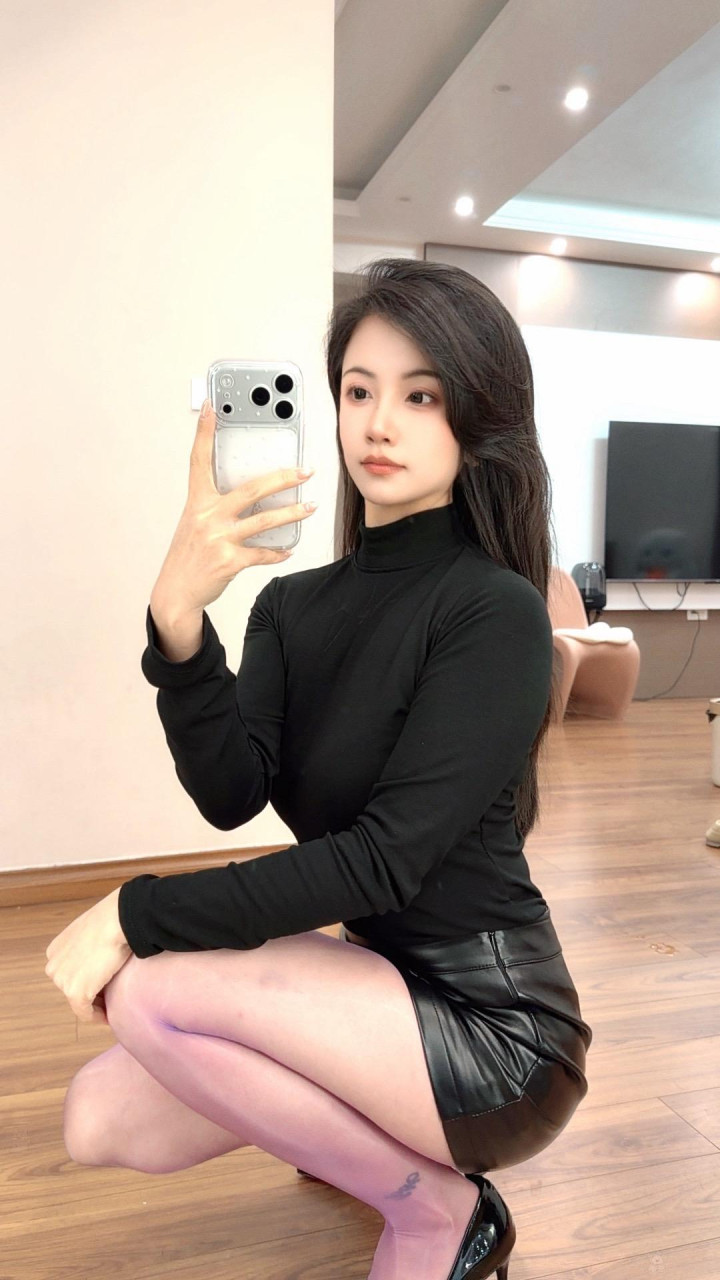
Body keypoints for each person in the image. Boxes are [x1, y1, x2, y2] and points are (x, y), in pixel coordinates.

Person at [60, 259, 592, 1280]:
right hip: (377, 986)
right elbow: (230, 793)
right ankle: (373, 1141)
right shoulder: (291, 606)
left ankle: (439, 1211)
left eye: (421, 395)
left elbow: (383, 862)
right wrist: (177, 621)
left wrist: (136, 911)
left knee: (150, 992)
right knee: (97, 1119)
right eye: (358, 389)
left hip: (496, 1035)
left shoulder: (495, 611)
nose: (379, 423)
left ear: (477, 417)